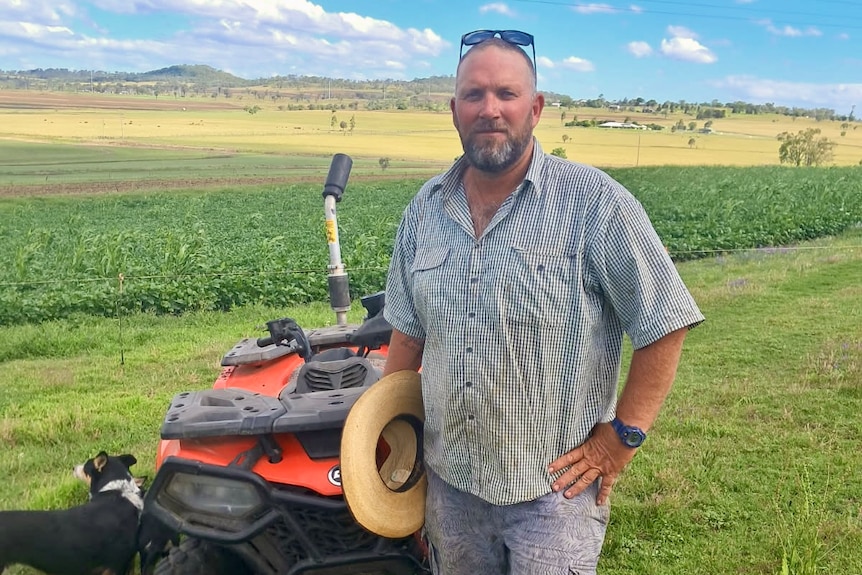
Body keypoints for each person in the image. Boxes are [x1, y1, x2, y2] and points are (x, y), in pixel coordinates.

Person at [382, 29, 704, 575]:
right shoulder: (424, 209)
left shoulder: (595, 204)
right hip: (450, 489)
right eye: (474, 95)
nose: (490, 109)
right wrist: (388, 433)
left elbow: (664, 323)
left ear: (535, 108)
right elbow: (408, 334)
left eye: (507, 94)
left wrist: (619, 441)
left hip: (553, 496)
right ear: (453, 110)